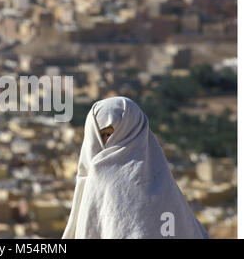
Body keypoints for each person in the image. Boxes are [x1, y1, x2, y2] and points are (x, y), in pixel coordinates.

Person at [62, 96, 210, 239]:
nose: (108, 140)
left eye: (113, 134)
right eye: (104, 134)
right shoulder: (162, 175)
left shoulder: (104, 174)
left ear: (136, 131)